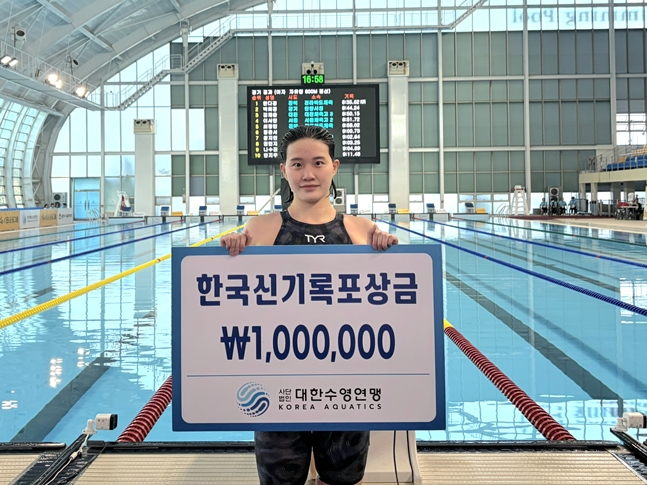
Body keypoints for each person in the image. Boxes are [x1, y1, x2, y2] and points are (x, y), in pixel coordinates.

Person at [220, 125, 398, 485]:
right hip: (277, 384)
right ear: (284, 171)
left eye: (318, 163)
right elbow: (234, 302)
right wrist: (232, 252)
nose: (308, 174)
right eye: (297, 164)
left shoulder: (362, 230)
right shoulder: (261, 229)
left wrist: (388, 251)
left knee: (342, 480)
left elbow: (391, 303)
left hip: (345, 384)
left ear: (334, 167)